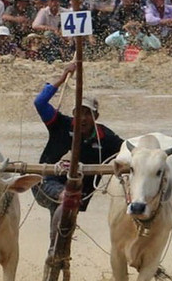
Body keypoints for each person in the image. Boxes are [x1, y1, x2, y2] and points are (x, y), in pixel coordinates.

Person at [31, 63, 123, 217]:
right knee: (64, 200)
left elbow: (128, 150)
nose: (83, 118)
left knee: (65, 221)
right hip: (46, 185)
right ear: (74, 114)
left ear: (96, 117)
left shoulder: (106, 138)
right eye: (79, 113)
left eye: (88, 114)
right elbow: (40, 103)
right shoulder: (60, 124)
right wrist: (62, 78)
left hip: (80, 193)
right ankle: (64, 198)